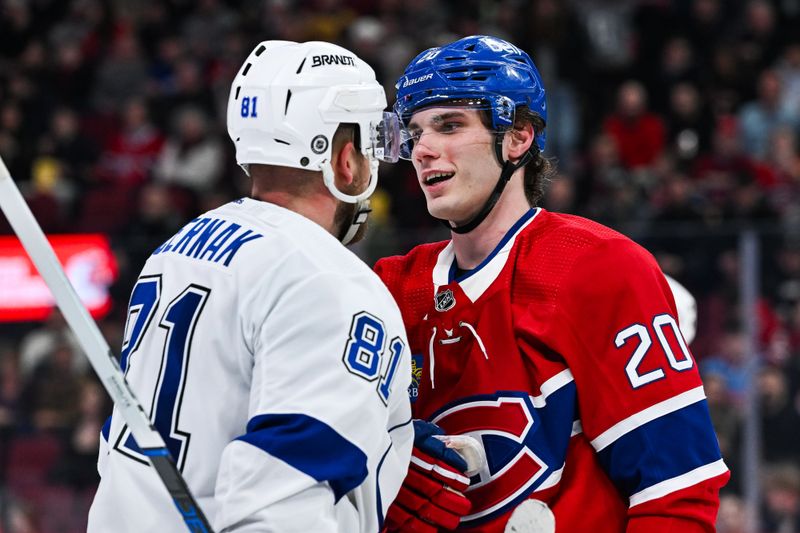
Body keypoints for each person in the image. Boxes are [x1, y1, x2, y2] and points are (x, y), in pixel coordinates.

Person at [375, 35, 729, 532]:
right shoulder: (389, 287)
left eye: (450, 125)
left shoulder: (599, 268)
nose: (424, 149)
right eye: (414, 132)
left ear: (518, 137)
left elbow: (677, 493)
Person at [88, 40, 414, 533]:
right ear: (346, 161)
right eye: (373, 143)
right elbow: (282, 504)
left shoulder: (179, 247)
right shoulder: (332, 283)